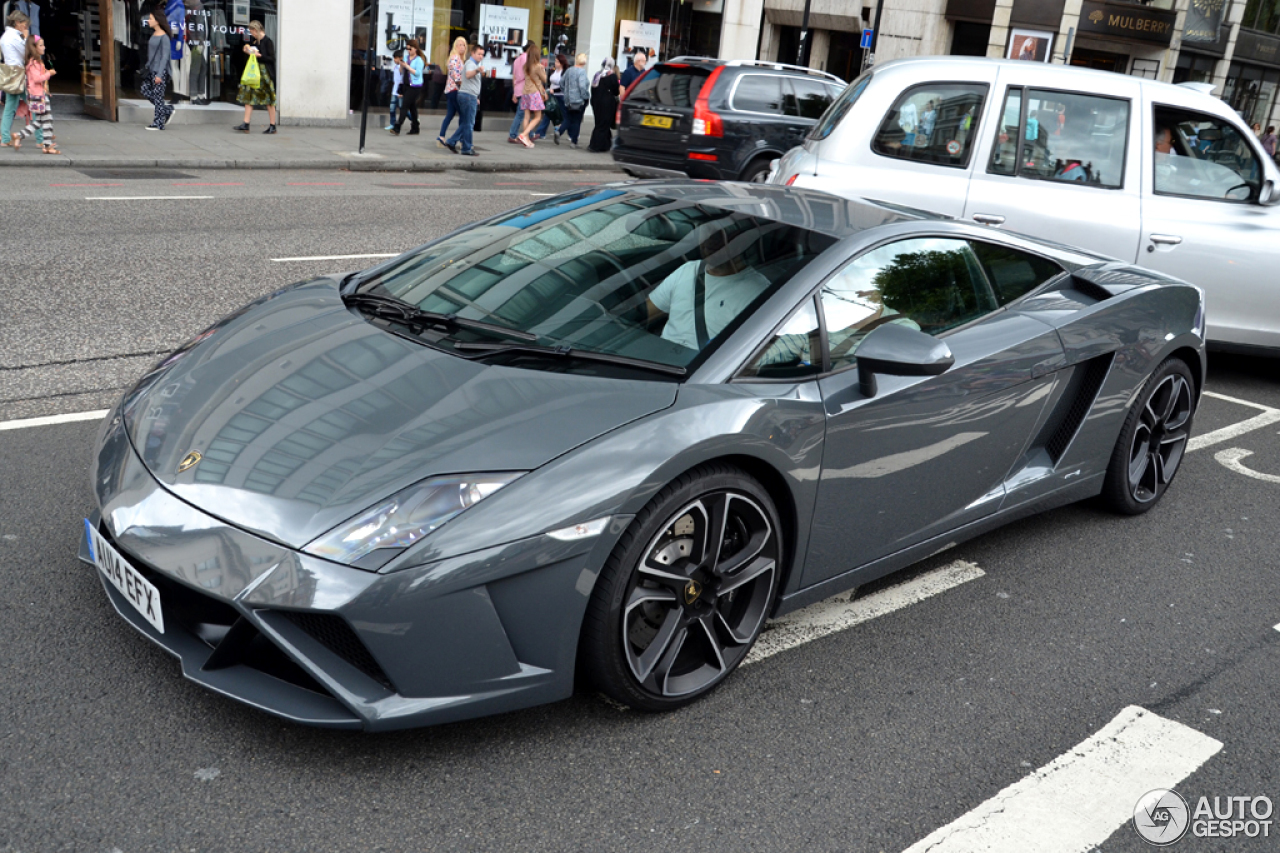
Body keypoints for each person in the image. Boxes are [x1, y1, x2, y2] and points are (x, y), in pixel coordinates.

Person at [645, 224, 770, 352]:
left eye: (720, 233)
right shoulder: (687, 270)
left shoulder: (758, 293)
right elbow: (645, 313)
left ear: (742, 240)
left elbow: (757, 353)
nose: (710, 238)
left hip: (703, 368)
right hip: (659, 359)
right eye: (705, 230)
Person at [11, 33, 54, 152]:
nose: (44, 47)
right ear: (34, 48)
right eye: (41, 45)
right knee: (47, 119)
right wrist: (49, 74)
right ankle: (47, 146)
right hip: (38, 95)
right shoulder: (34, 63)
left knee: (41, 120)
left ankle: (20, 136)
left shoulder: (33, 62)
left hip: (38, 94)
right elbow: (36, 79)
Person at [233, 20, 277, 134]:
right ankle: (245, 123)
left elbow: (272, 59)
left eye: (252, 32)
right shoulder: (256, 41)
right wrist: (247, 49)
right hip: (255, 73)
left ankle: (273, 125)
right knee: (249, 96)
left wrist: (259, 56)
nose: (251, 34)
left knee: (269, 100)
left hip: (265, 73)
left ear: (256, 30)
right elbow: (252, 50)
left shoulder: (268, 42)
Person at [444, 43, 484, 157]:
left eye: (482, 54)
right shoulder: (471, 64)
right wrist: (477, 70)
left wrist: (476, 97)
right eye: (479, 54)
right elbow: (468, 74)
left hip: (469, 95)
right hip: (468, 96)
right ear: (473, 53)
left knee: (467, 122)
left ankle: (452, 141)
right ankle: (467, 147)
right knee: (469, 123)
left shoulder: (472, 63)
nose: (481, 56)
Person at [139, 10, 174, 131]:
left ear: (157, 21)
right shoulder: (154, 34)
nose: (148, 21)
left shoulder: (164, 37)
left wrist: (160, 74)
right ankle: (167, 110)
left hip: (160, 71)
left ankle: (158, 123)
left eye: (150, 19)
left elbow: (165, 57)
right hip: (151, 70)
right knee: (144, 90)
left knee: (158, 97)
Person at [0, 8, 28, 148]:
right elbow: (27, 53)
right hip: (19, 74)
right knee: (36, 105)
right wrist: (27, 37)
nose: (25, 26)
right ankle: (42, 139)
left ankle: (5, 138)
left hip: (11, 75)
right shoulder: (15, 37)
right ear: (17, 22)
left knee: (10, 107)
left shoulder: (5, 35)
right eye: (24, 23)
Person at [389, 40, 424, 136]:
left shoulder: (419, 60)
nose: (408, 50)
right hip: (406, 85)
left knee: (404, 106)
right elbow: (401, 71)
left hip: (415, 86)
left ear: (415, 49)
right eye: (407, 48)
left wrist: (407, 66)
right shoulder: (406, 57)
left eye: (410, 48)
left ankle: (397, 126)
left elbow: (417, 73)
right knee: (412, 107)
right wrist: (401, 66)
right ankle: (415, 127)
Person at [437, 36, 466, 147]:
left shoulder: (457, 58)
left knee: (450, 114)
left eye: (464, 45)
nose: (462, 47)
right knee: (464, 116)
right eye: (460, 45)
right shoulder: (455, 57)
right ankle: (460, 139)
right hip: (455, 89)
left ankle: (442, 136)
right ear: (455, 46)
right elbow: (455, 73)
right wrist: (460, 83)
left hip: (451, 89)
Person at [556, 53, 590, 148]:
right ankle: (574, 142)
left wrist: (566, 92)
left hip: (568, 100)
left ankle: (559, 131)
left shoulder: (569, 70)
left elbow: (561, 82)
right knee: (577, 121)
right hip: (579, 100)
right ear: (584, 61)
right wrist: (586, 97)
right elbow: (582, 86)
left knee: (568, 118)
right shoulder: (581, 72)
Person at [532, 53, 568, 140]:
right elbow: (549, 80)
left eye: (558, 62)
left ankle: (569, 133)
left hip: (560, 96)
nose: (555, 63)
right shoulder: (554, 70)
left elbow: (564, 86)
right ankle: (540, 133)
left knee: (564, 115)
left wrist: (554, 90)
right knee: (548, 113)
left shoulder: (565, 73)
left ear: (562, 63)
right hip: (552, 95)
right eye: (555, 61)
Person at [516, 44, 546, 148]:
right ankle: (524, 135)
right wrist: (543, 70)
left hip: (525, 93)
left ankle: (527, 140)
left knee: (526, 117)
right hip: (534, 93)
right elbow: (545, 79)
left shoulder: (526, 66)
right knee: (538, 117)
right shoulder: (538, 66)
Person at [588, 57, 618, 153]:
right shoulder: (612, 76)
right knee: (604, 124)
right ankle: (595, 145)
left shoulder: (597, 75)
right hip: (607, 104)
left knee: (599, 123)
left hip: (596, 102)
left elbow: (593, 89)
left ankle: (605, 145)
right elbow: (616, 91)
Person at [507, 41, 531, 144]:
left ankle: (530, 133)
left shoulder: (517, 60)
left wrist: (514, 91)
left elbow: (514, 77)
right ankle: (512, 135)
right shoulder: (527, 59)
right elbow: (528, 75)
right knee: (521, 113)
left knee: (524, 112)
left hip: (519, 89)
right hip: (526, 88)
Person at [386, 48, 403, 131]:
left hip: (400, 91)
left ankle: (414, 119)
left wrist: (402, 92)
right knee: (392, 108)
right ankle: (392, 124)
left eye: (395, 58)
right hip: (394, 91)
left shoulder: (402, 67)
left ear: (400, 58)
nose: (394, 60)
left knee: (402, 108)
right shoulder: (395, 67)